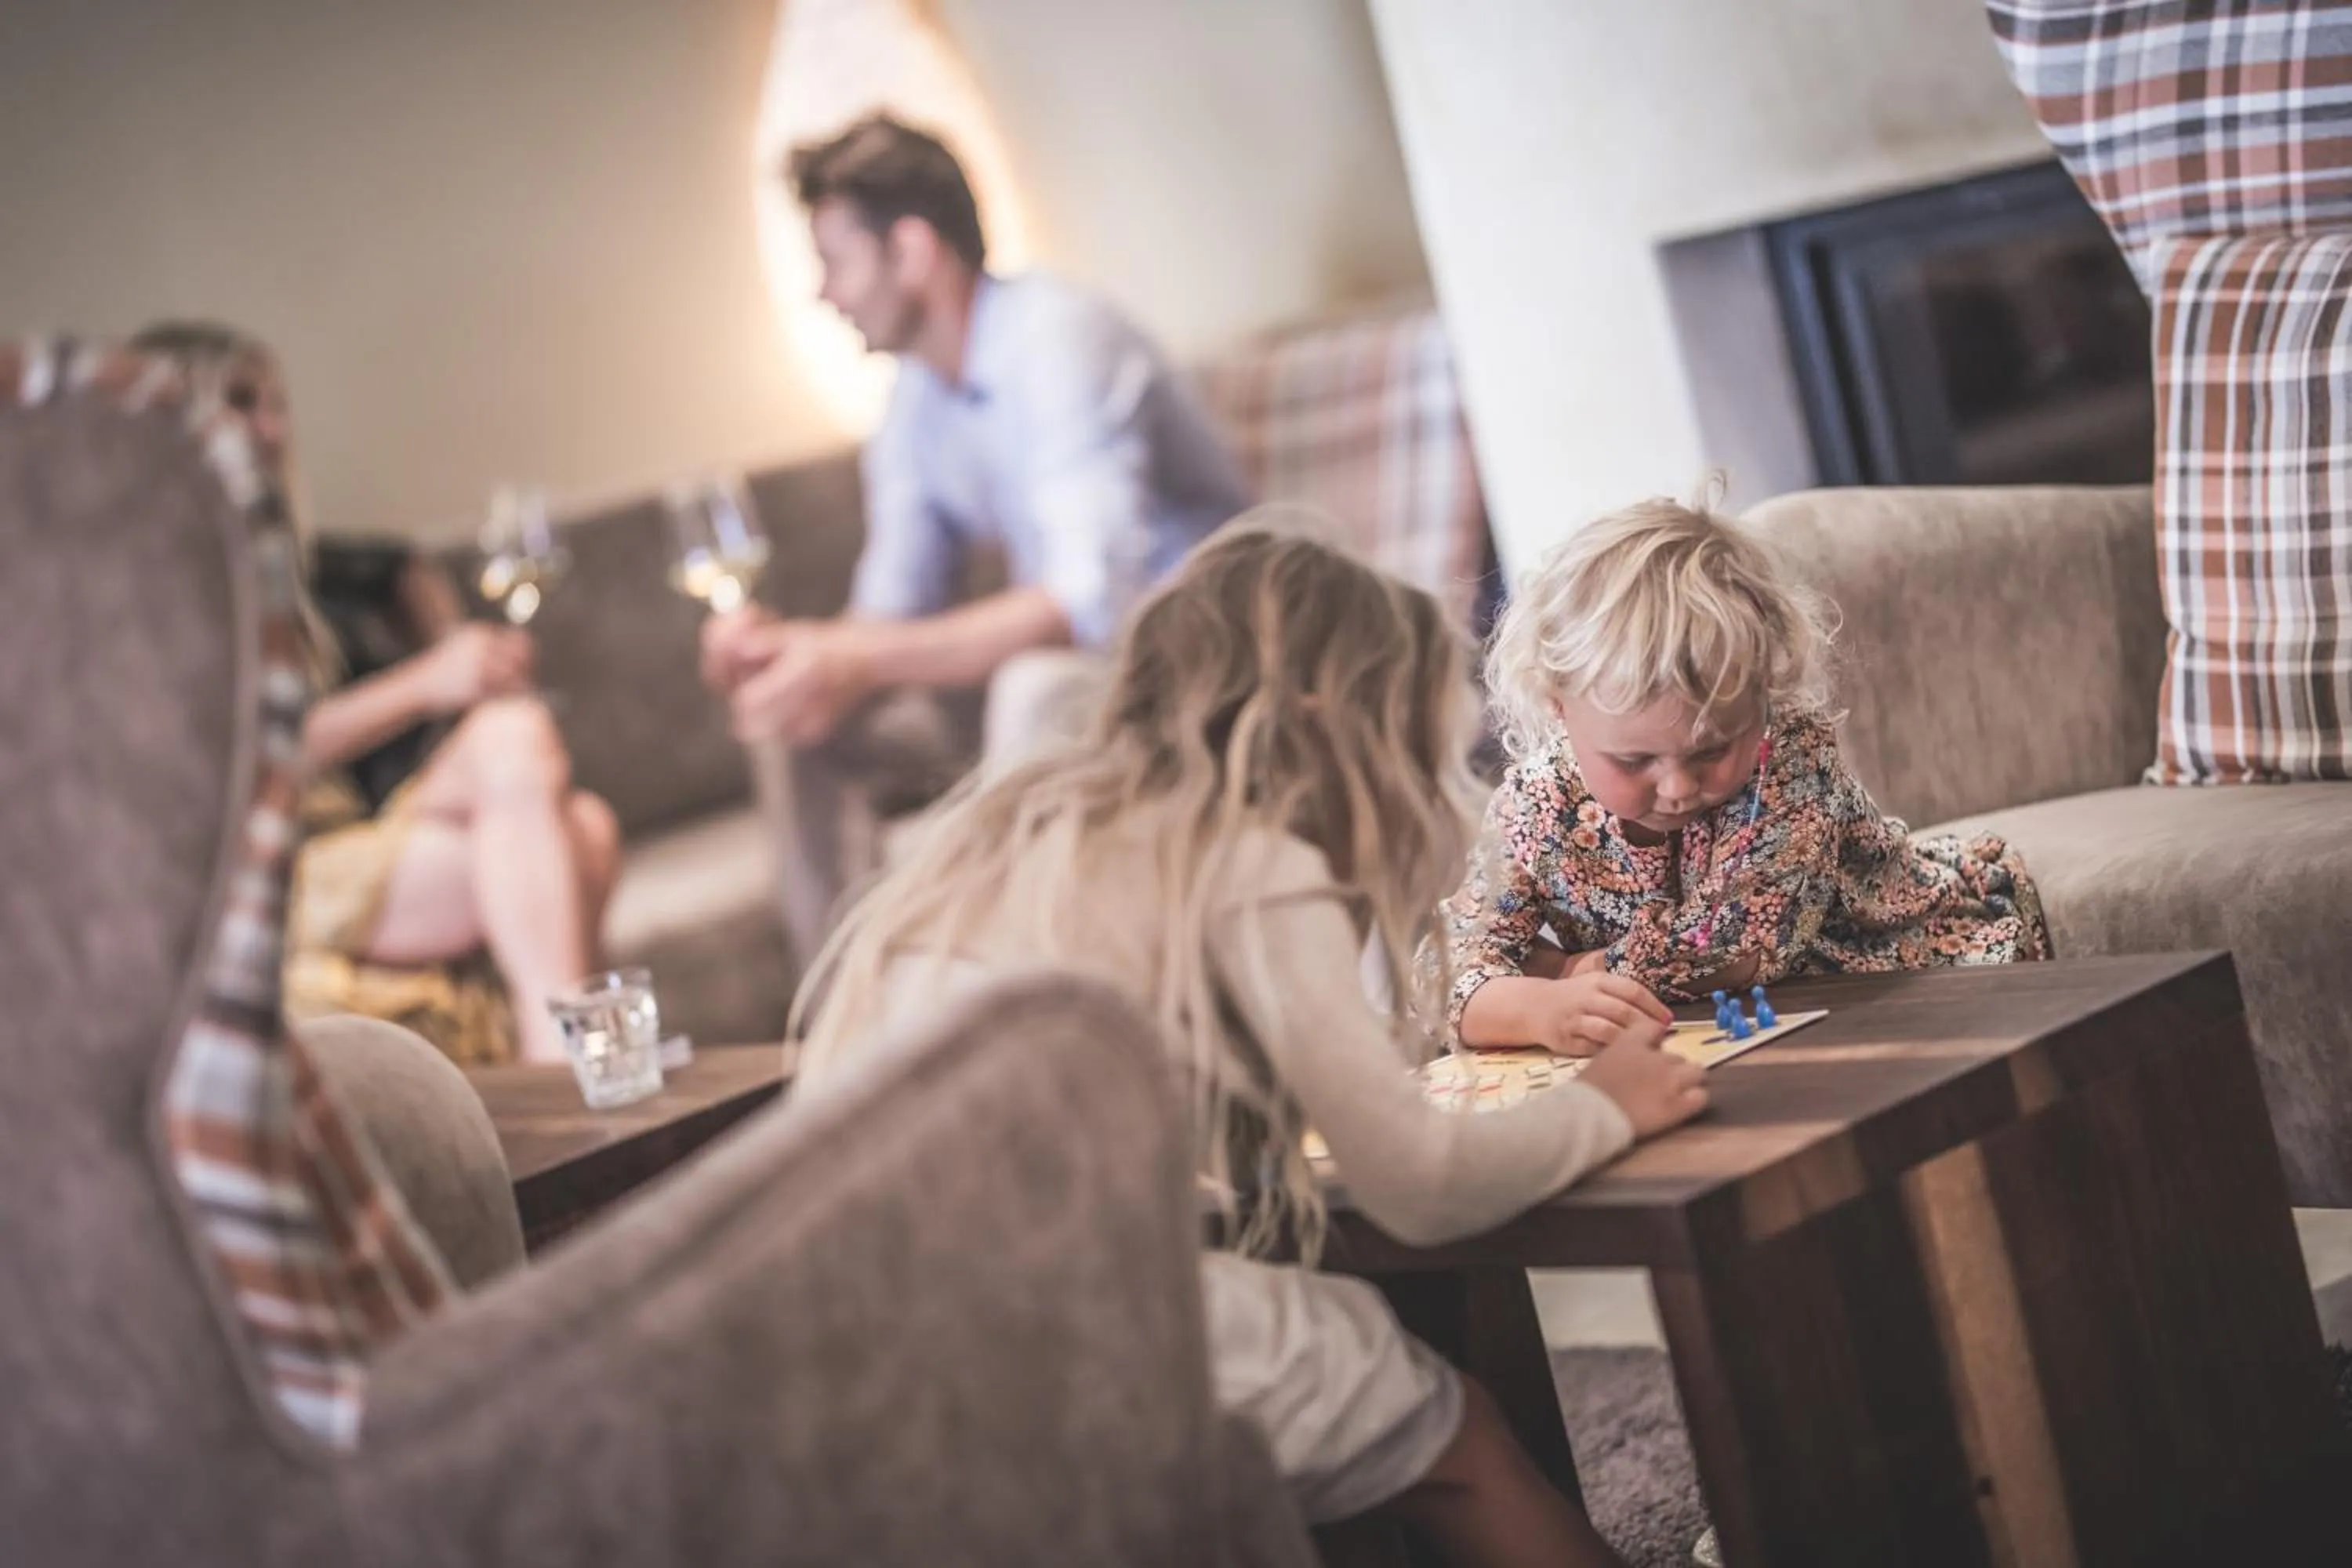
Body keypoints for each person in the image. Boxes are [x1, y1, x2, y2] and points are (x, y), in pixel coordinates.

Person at [793, 526, 1703, 1567]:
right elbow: (1424, 1183)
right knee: (1452, 1437)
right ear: (1328, 721)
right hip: (1046, 1323)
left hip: (861, 1339)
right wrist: (1607, 1107)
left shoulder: (1015, 824)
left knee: (1327, 1400)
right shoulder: (1247, 856)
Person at [700, 114, 1251, 969]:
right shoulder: (915, 399)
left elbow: (1086, 607)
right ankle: (849, 1023)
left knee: (1031, 688)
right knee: (797, 717)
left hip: (1199, 659)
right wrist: (796, 653)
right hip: (1092, 671)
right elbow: (889, 610)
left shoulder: (1059, 339)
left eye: (833, 262)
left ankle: (1027, 1008)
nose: (823, 293)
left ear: (912, 251)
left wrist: (853, 656)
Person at [132, 324, 619, 1065]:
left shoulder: (283, 567)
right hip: (259, 873)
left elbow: (390, 560)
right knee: (580, 833)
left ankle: (562, 1062)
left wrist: (456, 657)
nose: (270, 427)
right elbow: (233, 764)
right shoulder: (141, 593)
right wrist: (425, 683)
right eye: (239, 403)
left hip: (349, 831)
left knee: (520, 741)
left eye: (275, 403)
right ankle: (575, 1063)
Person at [1443, 495, 2049, 1051]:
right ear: (1558, 706)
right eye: (1634, 761)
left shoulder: (1789, 758)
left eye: (1710, 752)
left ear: (1764, 692)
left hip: (1887, 974)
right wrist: (1536, 1011)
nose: (1679, 787)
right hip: (1712, 1033)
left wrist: (1559, 970)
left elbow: (1732, 953)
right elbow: (1448, 967)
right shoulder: (1535, 805)